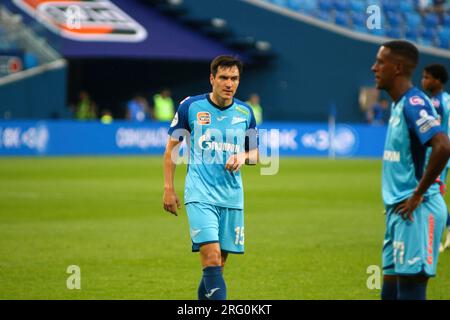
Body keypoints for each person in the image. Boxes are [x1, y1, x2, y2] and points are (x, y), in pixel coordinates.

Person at [163, 55, 258, 300]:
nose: (229, 83)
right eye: (224, 78)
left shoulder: (245, 112)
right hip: (199, 194)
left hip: (231, 197)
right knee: (212, 257)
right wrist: (168, 188)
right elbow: (172, 149)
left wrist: (243, 156)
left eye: (234, 78)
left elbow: (256, 153)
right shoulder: (190, 107)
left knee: (217, 267)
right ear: (212, 78)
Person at [371, 40, 450, 300]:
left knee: (411, 291)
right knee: (390, 293)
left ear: (398, 67)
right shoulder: (398, 105)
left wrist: (418, 193)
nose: (374, 68)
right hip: (398, 211)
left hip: (417, 209)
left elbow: (443, 146)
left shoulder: (414, 102)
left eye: (380, 62)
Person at [421, 63, 450, 252]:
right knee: (435, 196)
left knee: (432, 198)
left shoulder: (436, 103)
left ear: (438, 80)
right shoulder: (447, 98)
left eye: (427, 77)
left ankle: (433, 241)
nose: (423, 81)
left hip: (438, 155)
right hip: (445, 155)